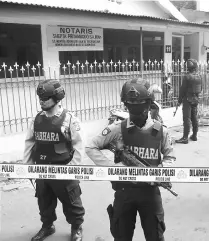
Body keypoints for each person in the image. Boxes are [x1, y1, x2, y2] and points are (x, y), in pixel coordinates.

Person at [85, 78, 175, 241]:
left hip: (150, 192)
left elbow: (170, 156)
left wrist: (160, 171)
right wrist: (112, 168)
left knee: (155, 235)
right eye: (131, 107)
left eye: (139, 107)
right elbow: (91, 146)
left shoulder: (160, 131)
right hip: (124, 192)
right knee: (122, 236)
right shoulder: (117, 129)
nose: (135, 113)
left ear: (148, 105)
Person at [23, 79, 85, 241]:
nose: (42, 101)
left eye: (46, 98)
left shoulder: (69, 119)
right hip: (42, 169)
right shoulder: (36, 120)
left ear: (57, 98)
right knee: (44, 201)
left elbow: (78, 145)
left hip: (64, 169)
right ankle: (47, 226)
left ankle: (76, 226)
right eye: (40, 98)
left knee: (72, 202)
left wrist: (73, 168)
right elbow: (29, 143)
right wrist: (27, 166)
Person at [175, 59, 202, 144]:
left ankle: (185, 138)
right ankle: (194, 135)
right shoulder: (199, 76)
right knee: (194, 118)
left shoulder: (187, 77)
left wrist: (179, 101)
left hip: (187, 99)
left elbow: (182, 90)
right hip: (195, 99)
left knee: (187, 118)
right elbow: (201, 89)